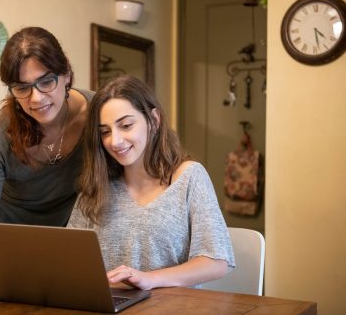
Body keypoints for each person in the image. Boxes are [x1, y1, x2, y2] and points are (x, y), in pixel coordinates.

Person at [0, 27, 94, 289]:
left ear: (67, 75)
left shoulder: (98, 115)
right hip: (7, 244)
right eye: (22, 88)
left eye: (46, 81)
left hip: (66, 242)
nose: (36, 98)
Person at [68, 75, 235, 290]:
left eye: (126, 125)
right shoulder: (97, 184)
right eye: (105, 132)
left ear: (154, 121)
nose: (115, 141)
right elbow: (71, 257)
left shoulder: (189, 177)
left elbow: (217, 261)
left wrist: (149, 279)